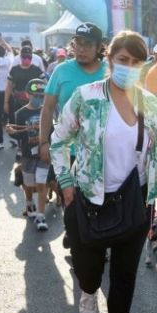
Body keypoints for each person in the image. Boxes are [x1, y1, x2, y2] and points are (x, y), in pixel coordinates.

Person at [51, 30, 157, 313]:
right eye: (123, 60)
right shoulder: (85, 96)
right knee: (88, 268)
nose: (129, 67)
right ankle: (89, 290)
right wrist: (65, 183)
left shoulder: (148, 102)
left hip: (135, 200)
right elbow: (59, 141)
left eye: (136, 62)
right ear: (109, 59)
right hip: (88, 200)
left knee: (125, 271)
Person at [39, 22, 107, 199]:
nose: (82, 49)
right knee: (69, 202)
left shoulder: (109, 71)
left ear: (99, 47)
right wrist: (43, 142)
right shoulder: (61, 71)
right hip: (67, 151)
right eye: (79, 44)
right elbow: (47, 109)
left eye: (88, 44)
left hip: (102, 151)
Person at [10, 79, 51, 230]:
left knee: (42, 183)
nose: (39, 99)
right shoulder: (20, 113)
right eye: (35, 95)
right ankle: (29, 203)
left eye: (42, 96)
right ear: (27, 95)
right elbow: (18, 135)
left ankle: (41, 216)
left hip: (43, 155)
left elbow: (52, 131)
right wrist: (13, 133)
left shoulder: (47, 111)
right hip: (27, 155)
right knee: (28, 184)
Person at [4, 46, 44, 120]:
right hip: (17, 102)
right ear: (20, 57)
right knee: (17, 121)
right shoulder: (14, 70)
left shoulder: (37, 70)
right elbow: (9, 86)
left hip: (33, 101)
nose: (26, 59)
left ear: (32, 58)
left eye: (29, 57)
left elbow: (45, 85)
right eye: (24, 57)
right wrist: (6, 102)